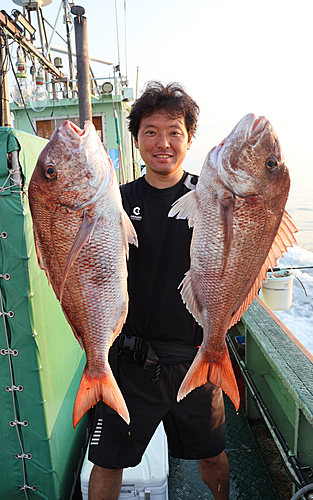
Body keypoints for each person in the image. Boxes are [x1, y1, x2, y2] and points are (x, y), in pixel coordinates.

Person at [88, 81, 230, 500]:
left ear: (188, 140)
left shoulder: (213, 198)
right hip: (132, 360)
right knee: (108, 462)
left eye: (174, 132)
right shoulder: (114, 201)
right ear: (136, 140)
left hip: (197, 357)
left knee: (213, 455)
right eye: (150, 131)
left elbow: (240, 260)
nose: (162, 143)